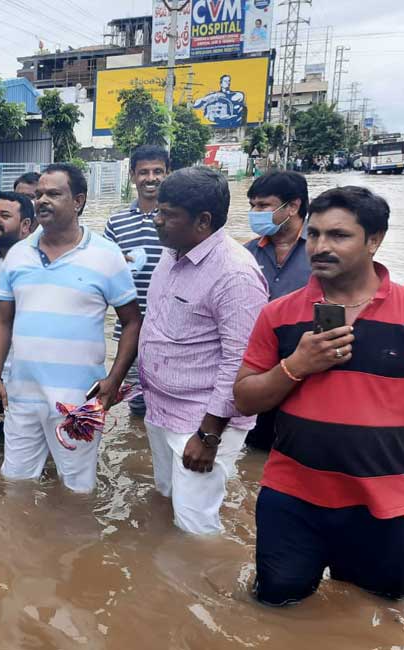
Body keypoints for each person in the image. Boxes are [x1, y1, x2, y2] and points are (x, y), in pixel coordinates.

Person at [234, 186, 403, 605]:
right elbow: (244, 398)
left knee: (375, 609)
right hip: (292, 499)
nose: (320, 246)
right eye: (314, 234)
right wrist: (297, 365)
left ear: (375, 240)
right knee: (276, 606)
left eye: (339, 235)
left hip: (384, 502)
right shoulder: (279, 313)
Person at [0, 164, 142, 492]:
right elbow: (2, 320)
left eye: (54, 194)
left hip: (78, 402)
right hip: (23, 396)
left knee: (78, 492)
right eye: (39, 194)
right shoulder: (17, 254)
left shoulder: (107, 255)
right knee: (15, 486)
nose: (42, 200)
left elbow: (132, 322)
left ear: (78, 201)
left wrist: (114, 380)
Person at [138, 166, 268, 535]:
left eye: (168, 214)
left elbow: (239, 361)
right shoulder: (173, 252)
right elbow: (157, 326)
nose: (157, 220)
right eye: (157, 211)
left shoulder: (235, 275)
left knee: (196, 526)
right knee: (165, 497)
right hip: (161, 408)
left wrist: (209, 436)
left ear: (203, 221)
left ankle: (196, 589)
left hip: (203, 420)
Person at [243, 171, 312, 450]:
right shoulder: (246, 254)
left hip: (309, 374)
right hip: (258, 375)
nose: (255, 213)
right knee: (256, 452)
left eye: (263, 205)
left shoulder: (323, 251)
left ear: (293, 206)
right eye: (252, 206)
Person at [104, 144, 170, 417]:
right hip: (129, 332)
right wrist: (117, 260)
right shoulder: (116, 221)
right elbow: (103, 270)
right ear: (132, 176)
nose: (150, 178)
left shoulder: (176, 219)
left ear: (168, 174)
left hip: (169, 333)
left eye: (158, 171)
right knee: (137, 404)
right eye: (143, 172)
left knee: (168, 405)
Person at [0, 191, 36, 438]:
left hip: (23, 379)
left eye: (4, 215)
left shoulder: (35, 265)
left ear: (25, 226)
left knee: (25, 446)